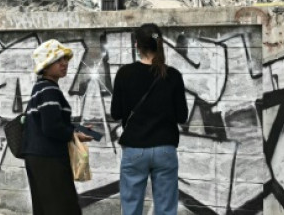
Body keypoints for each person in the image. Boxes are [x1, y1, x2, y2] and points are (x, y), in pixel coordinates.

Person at [110, 24, 189, 215]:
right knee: (166, 209)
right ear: (159, 44)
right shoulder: (173, 75)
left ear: (137, 45)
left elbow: (115, 113)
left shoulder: (124, 73)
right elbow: (182, 117)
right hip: (165, 149)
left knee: (131, 208)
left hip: (135, 149)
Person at [22, 39, 92, 215]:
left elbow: (51, 121)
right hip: (49, 158)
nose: (64, 63)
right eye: (58, 60)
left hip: (38, 156)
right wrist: (74, 135)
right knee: (63, 208)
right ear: (45, 66)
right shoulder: (49, 90)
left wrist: (78, 131)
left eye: (65, 59)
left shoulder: (40, 88)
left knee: (45, 208)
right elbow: (52, 127)